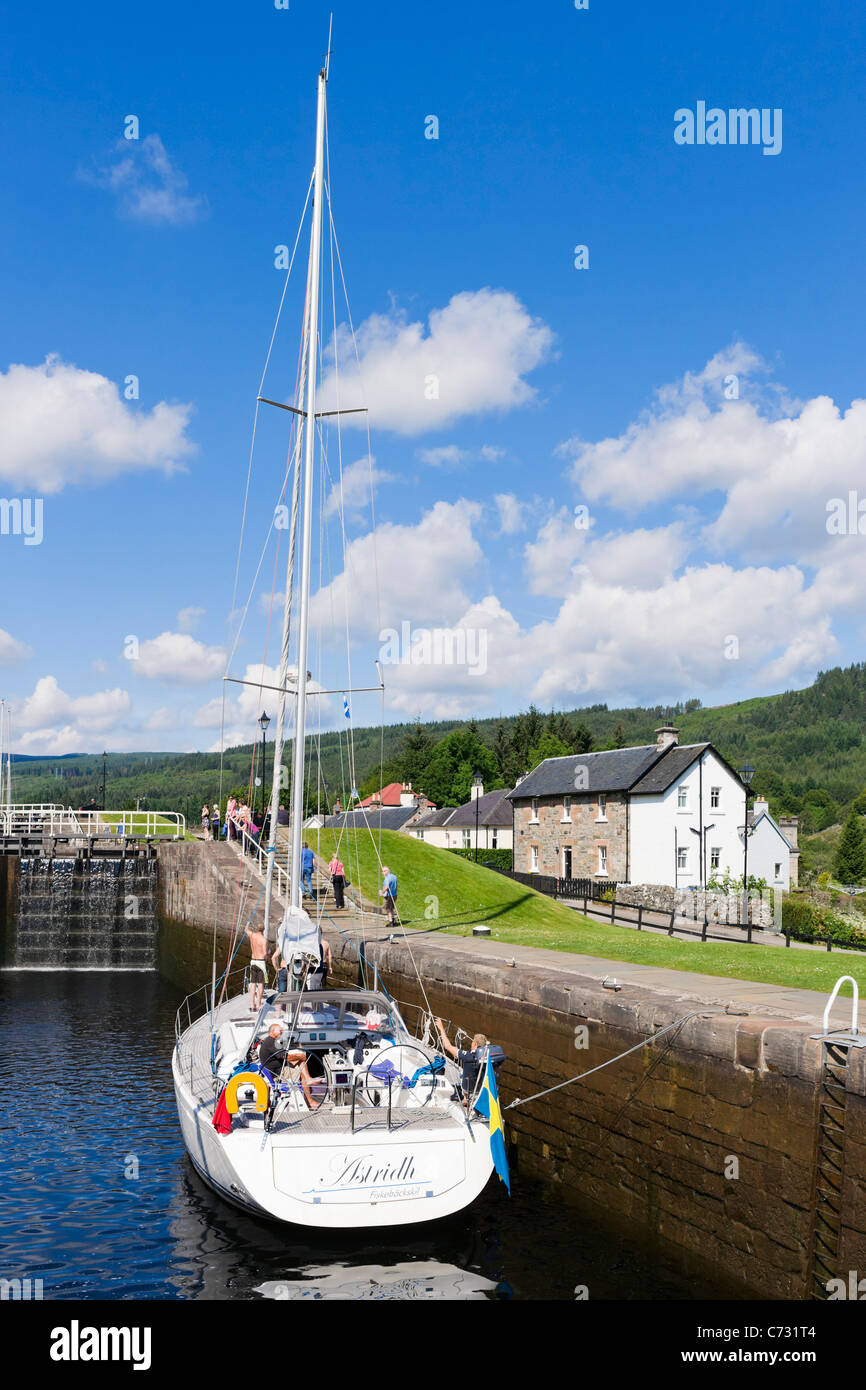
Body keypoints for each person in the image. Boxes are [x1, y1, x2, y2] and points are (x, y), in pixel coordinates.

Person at [434, 1018, 491, 1107]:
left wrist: (441, 1029)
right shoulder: (489, 1059)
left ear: (475, 1044)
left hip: (468, 1090)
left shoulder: (467, 1056)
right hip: (480, 1091)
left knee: (461, 1073)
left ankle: (465, 1098)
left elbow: (447, 1046)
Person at [246, 923, 268, 1012]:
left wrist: (248, 923)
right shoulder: (264, 940)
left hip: (253, 961)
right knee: (261, 983)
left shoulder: (252, 935)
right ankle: (258, 1003)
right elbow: (265, 953)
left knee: (253, 983)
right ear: (263, 930)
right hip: (261, 962)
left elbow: (246, 930)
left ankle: (252, 1004)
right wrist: (268, 955)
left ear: (256, 929)